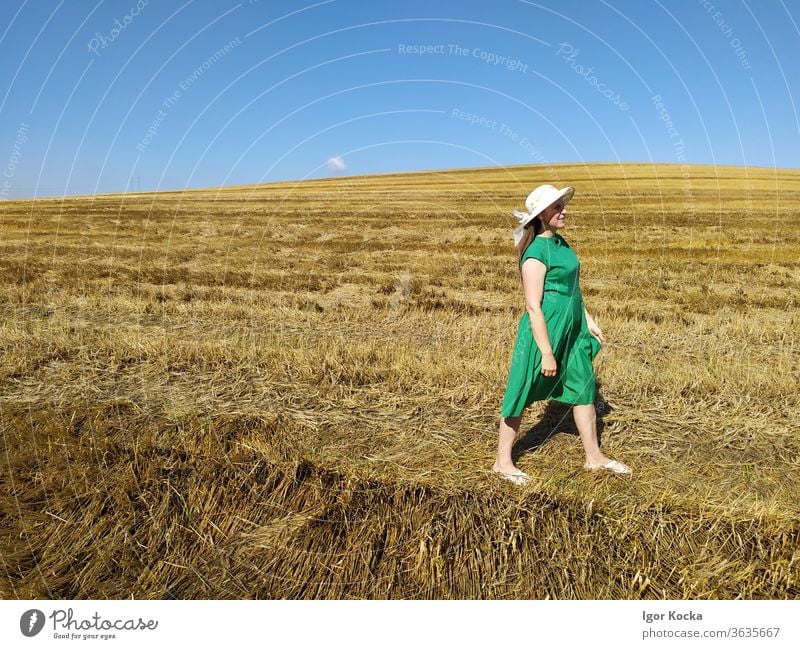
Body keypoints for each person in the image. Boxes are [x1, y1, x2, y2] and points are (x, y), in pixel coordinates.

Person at [492, 184, 631, 485]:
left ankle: (593, 457)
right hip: (545, 329)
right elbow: (533, 307)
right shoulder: (535, 253)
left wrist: (587, 319)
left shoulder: (561, 244)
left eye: (562, 205)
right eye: (556, 207)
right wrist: (545, 351)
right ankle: (502, 462)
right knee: (522, 389)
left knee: (583, 387)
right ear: (541, 214)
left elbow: (573, 291)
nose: (563, 210)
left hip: (573, 327)